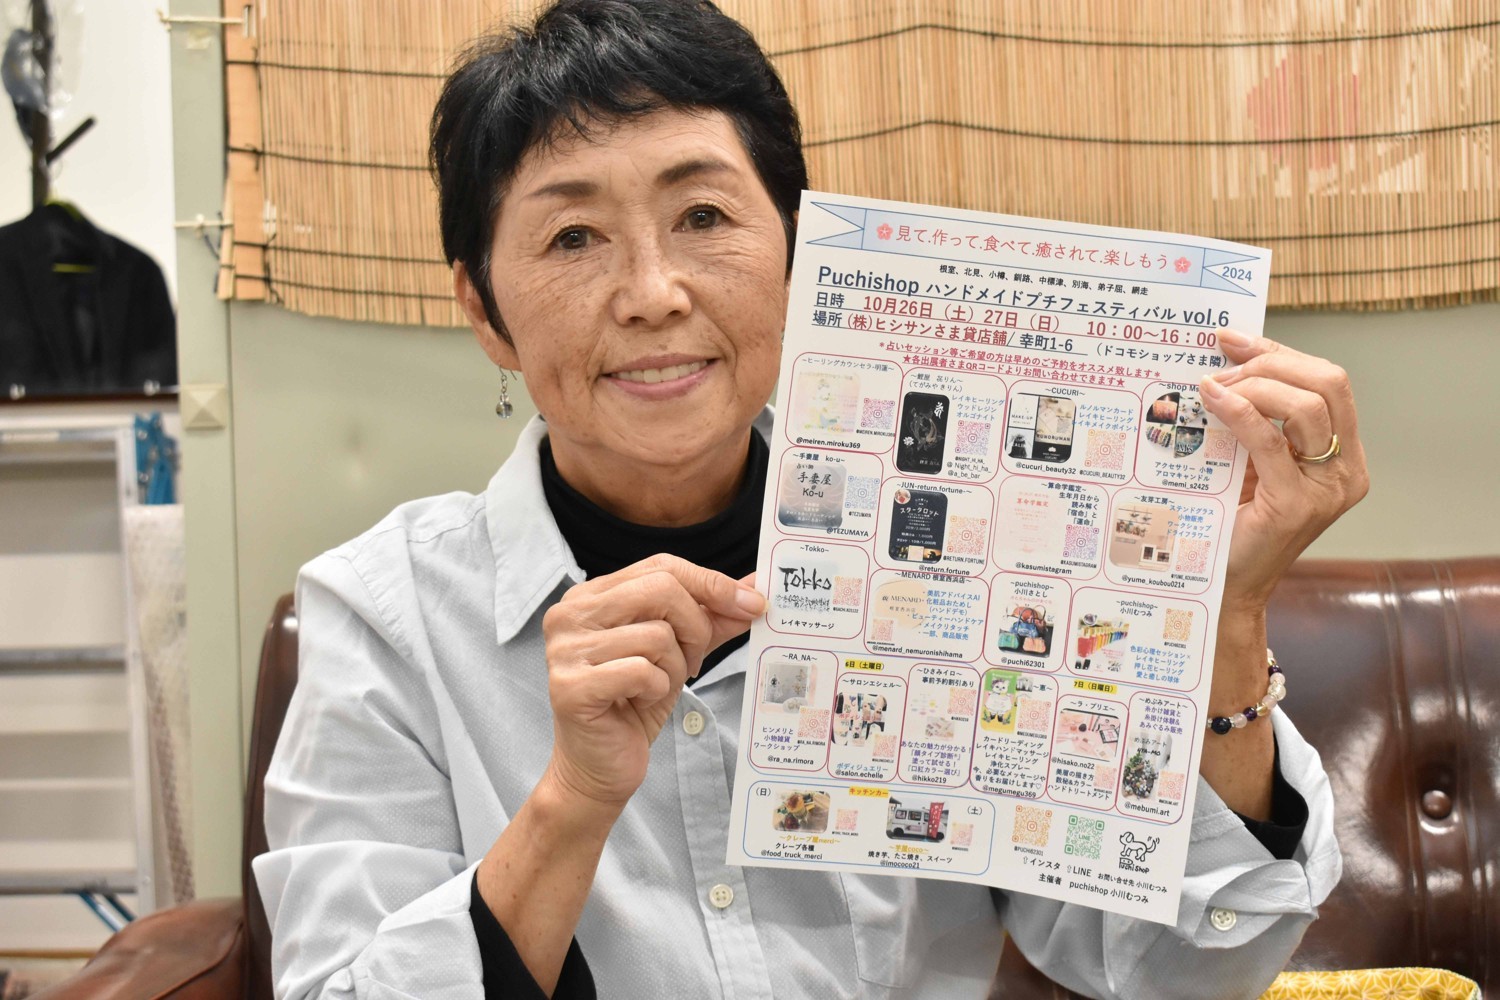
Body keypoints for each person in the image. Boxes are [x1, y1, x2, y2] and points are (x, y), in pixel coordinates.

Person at [251, 2, 1369, 998]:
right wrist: (570, 802)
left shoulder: (977, 540)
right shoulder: (386, 618)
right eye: (572, 236)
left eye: (703, 216)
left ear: (798, 254)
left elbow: (1176, 971)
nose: (653, 293)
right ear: (485, 310)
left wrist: (1222, 617)